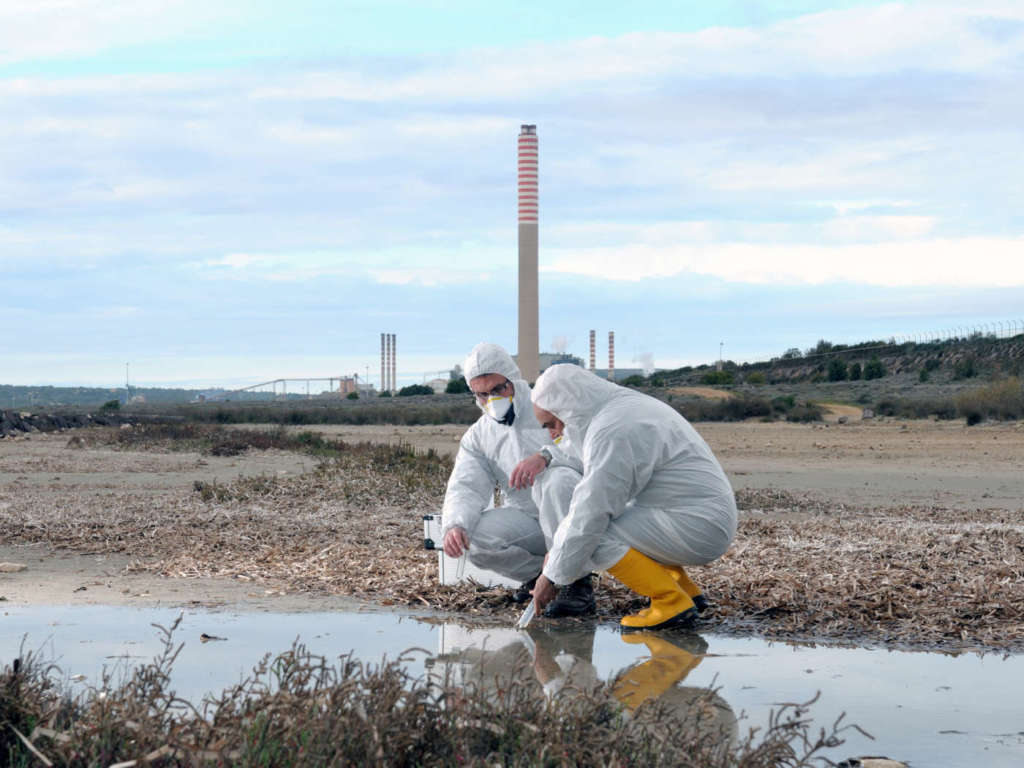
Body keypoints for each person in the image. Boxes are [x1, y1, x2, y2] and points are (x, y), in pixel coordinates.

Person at [527, 363, 737, 630]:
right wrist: (545, 456)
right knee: (615, 519)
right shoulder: (622, 409)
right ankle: (683, 588)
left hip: (698, 526)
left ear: (569, 410)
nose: (553, 433)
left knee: (595, 535)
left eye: (552, 424)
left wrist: (553, 574)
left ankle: (670, 601)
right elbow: (579, 453)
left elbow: (592, 512)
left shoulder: (611, 430)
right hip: (702, 517)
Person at [440, 343, 595, 617]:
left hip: (572, 517)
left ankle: (576, 582)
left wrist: (546, 456)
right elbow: (466, 486)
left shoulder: (550, 406)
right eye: (482, 394)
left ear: (512, 379)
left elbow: (587, 452)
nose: (492, 399)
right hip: (527, 518)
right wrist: (455, 524)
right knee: (472, 538)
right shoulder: (479, 436)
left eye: (498, 389)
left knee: (557, 480)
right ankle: (540, 578)